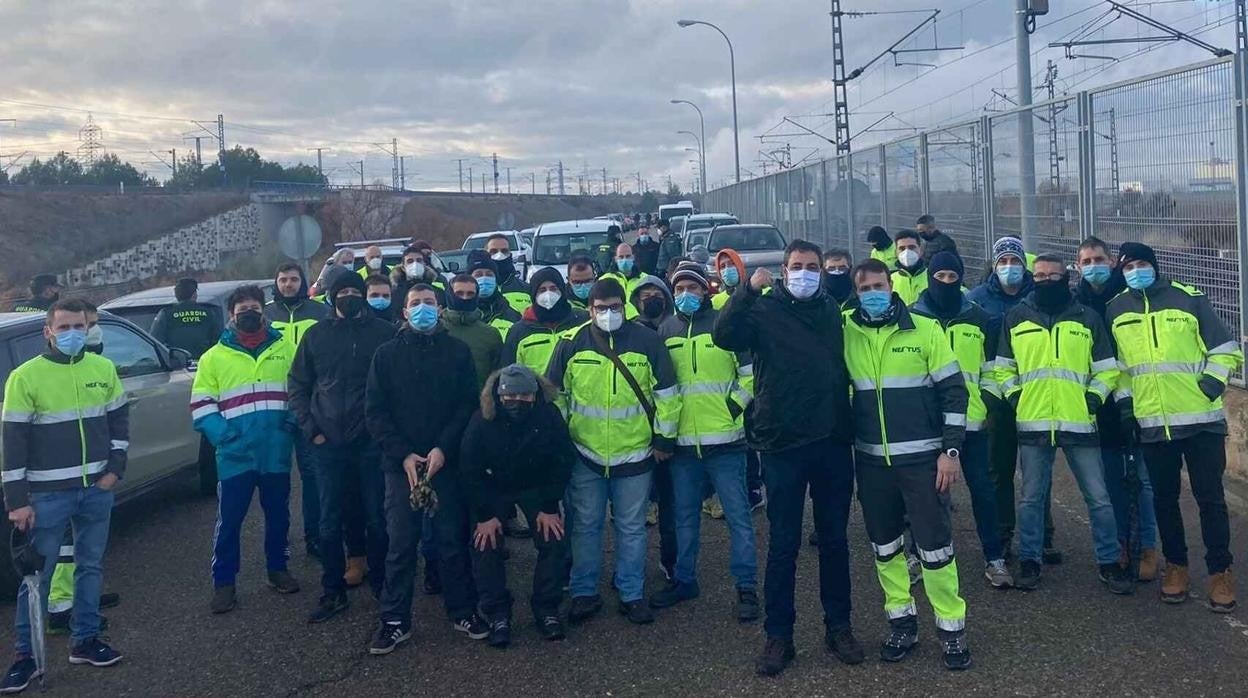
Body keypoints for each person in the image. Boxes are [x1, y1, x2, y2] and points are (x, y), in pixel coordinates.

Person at [713, 239, 861, 677]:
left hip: (832, 440)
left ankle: (839, 627)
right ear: (783, 269)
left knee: (834, 541)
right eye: (796, 266)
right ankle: (779, 635)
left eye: (812, 266)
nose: (805, 273)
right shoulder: (762, 309)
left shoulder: (832, 310)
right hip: (782, 444)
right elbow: (724, 335)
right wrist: (746, 291)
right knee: (783, 545)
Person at [843, 258, 971, 670]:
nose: (873, 294)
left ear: (891, 285)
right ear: (855, 292)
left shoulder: (925, 329)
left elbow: (955, 393)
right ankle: (901, 622)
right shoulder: (845, 330)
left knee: (935, 549)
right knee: (885, 548)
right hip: (872, 462)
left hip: (922, 462)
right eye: (864, 289)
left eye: (878, 285)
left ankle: (952, 630)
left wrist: (950, 452)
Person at [1106, 242, 1243, 611]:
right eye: (1129, 265)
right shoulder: (1115, 309)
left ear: (1154, 264)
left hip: (1202, 422)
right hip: (1153, 425)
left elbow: (1226, 346)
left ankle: (1220, 572)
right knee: (1165, 501)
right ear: (1122, 270)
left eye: (1142, 263)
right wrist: (1125, 406)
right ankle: (1177, 567)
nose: (1137, 270)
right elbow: (1118, 370)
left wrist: (1212, 383)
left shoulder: (1189, 298)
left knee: (1210, 499)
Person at [0, 299, 128, 691]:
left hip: (95, 491)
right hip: (46, 496)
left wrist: (114, 470)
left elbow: (118, 420)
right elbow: (13, 442)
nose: (74, 333)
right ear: (49, 332)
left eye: (80, 326)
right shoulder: (25, 377)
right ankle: (25, 656)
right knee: (38, 578)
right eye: (65, 327)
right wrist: (17, 501)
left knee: (90, 567)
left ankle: (85, 640)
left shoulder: (103, 368)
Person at [546, 278, 681, 626]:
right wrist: (562, 440)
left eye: (615, 307)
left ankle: (631, 593)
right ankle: (583, 592)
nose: (608, 314)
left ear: (625, 307)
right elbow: (555, 395)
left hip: (635, 455)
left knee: (632, 527)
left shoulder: (648, 342)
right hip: (585, 454)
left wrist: (664, 440)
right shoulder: (570, 343)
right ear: (589, 310)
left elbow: (667, 394)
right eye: (601, 308)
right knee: (586, 526)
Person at [996, 254, 1132, 595]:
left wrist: (1093, 399)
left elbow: (1107, 369)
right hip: (1033, 422)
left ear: (1066, 277)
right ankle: (1030, 561)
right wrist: (1016, 398)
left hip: (1080, 423)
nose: (1045, 280)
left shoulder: (1087, 318)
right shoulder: (1016, 317)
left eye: (1052, 275)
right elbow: (1001, 368)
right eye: (1039, 275)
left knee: (1098, 498)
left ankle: (1109, 562)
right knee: (1031, 498)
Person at [364, 284, 482, 655]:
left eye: (429, 303)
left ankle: (463, 610)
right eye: (415, 304)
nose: (422, 309)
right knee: (400, 544)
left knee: (450, 541)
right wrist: (402, 454)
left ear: (440, 309)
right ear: (404, 312)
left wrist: (442, 448)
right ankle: (394, 619)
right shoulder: (385, 356)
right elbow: (375, 412)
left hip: (444, 463)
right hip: (401, 467)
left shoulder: (458, 352)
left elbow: (467, 405)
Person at [649, 263, 759, 620]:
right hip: (682, 447)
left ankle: (746, 588)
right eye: (679, 288)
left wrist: (733, 409)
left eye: (692, 288)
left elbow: (750, 375)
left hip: (726, 442)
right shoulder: (665, 330)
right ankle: (684, 580)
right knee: (684, 519)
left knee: (739, 518)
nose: (685, 294)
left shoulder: (725, 325)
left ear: (704, 291)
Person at [288, 272, 396, 623]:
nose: (349, 296)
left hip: (371, 442)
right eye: (342, 292)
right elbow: (299, 386)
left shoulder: (384, 333)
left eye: (355, 291)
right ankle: (332, 590)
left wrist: (385, 434)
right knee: (329, 521)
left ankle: (382, 582)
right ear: (332, 298)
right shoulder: (316, 335)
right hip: (327, 442)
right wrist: (311, 430)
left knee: (378, 518)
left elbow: (398, 387)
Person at [192, 285, 301, 614]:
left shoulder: (286, 349)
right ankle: (224, 583)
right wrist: (225, 437)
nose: (250, 314)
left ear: (263, 310)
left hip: (275, 452)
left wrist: (292, 424)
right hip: (235, 456)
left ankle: (277, 569)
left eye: (255, 307)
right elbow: (201, 406)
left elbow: (300, 390)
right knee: (230, 522)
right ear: (231, 315)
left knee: (279, 516)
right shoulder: (213, 358)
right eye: (243, 310)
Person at [911, 252, 1012, 589]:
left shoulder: (979, 317)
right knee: (927, 495)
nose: (946, 284)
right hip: (929, 425)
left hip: (972, 424)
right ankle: (919, 554)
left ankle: (994, 558)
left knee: (982, 491)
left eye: (952, 278)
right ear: (929, 278)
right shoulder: (913, 318)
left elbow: (989, 370)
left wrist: (985, 404)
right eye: (939, 278)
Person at [460, 364, 575, 647]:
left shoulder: (549, 416)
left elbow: (562, 459)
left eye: (524, 396)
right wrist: (485, 514)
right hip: (494, 486)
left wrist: (550, 506)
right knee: (484, 543)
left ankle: (547, 607)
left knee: (554, 538)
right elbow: (469, 468)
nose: (517, 402)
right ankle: (498, 612)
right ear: (498, 396)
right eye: (509, 396)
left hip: (536, 486)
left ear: (536, 395)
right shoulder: (482, 419)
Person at [967, 236, 1059, 562]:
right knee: (998, 470)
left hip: (1035, 394)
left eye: (1015, 261)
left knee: (1038, 471)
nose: (1009, 268)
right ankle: (1002, 535)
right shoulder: (976, 301)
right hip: (996, 398)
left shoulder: (1041, 297)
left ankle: (1042, 536)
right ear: (994, 265)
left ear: (1024, 264)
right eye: (1003, 261)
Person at [1074, 237, 1158, 582]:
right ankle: (1122, 542)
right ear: (1078, 266)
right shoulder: (1076, 302)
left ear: (1111, 262)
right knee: (1111, 481)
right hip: (1100, 403)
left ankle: (1149, 546)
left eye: (1099, 258)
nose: (1093, 265)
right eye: (1086, 260)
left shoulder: (1130, 298)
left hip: (1139, 398)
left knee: (1143, 479)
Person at [264, 263, 329, 559]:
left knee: (312, 476)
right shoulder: (265, 314)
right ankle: (278, 543)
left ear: (302, 282)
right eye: (283, 279)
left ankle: (315, 536)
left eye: (293, 279)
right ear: (276, 283)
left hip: (310, 405)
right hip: (273, 405)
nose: (288, 284)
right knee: (275, 479)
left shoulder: (320, 312)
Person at [630, 274, 678, 578]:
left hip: (670, 433)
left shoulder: (675, 327)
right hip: (635, 434)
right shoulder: (628, 332)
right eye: (644, 295)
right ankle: (629, 567)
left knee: (671, 505)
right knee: (632, 512)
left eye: (656, 294)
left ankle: (671, 560)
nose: (651, 299)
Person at [502, 267, 588, 376]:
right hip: (537, 392)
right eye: (542, 290)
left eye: (553, 288)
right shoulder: (518, 331)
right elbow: (509, 373)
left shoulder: (581, 321)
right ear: (534, 295)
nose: (548, 294)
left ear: (562, 290)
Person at [440, 274, 503, 392]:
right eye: (459, 293)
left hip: (479, 405)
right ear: (450, 295)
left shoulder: (490, 334)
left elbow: (497, 376)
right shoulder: (436, 329)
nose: (464, 298)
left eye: (470, 294)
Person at [150, 277, 223, 358]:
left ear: (176, 295)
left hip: (177, 365)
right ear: (194, 294)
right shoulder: (208, 313)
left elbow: (155, 341)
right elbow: (219, 340)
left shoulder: (166, 314)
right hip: (204, 362)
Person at [467, 250, 521, 340]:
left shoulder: (512, 316)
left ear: (496, 280)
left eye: (489, 274)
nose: (484, 278)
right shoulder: (461, 315)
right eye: (478, 275)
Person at [485, 234, 531, 315]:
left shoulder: (526, 290)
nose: (499, 256)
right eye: (493, 252)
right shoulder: (474, 290)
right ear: (486, 254)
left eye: (504, 251)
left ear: (510, 254)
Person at [889, 230, 928, 306]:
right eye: (902, 248)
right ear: (895, 252)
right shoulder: (890, 280)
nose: (907, 252)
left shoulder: (933, 278)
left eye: (912, 247)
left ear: (921, 250)